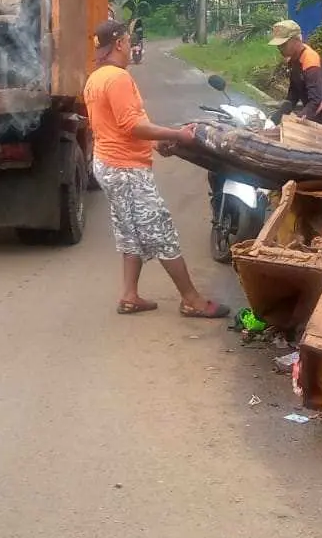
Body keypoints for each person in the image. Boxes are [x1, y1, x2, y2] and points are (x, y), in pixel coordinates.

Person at [83, 19, 231, 320]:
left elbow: (115, 129)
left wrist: (155, 143)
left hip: (109, 163)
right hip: (126, 170)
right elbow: (131, 125)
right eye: (129, 40)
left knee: (129, 230)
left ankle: (129, 296)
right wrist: (176, 134)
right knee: (160, 230)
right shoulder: (118, 79)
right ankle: (191, 299)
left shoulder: (96, 78)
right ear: (121, 43)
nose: (133, 46)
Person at [268, 19, 322, 128]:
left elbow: (316, 103)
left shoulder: (310, 62)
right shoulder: (294, 61)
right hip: (317, 116)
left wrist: (297, 122)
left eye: (283, 44)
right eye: (278, 45)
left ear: (296, 40)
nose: (279, 48)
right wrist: (273, 120)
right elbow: (292, 97)